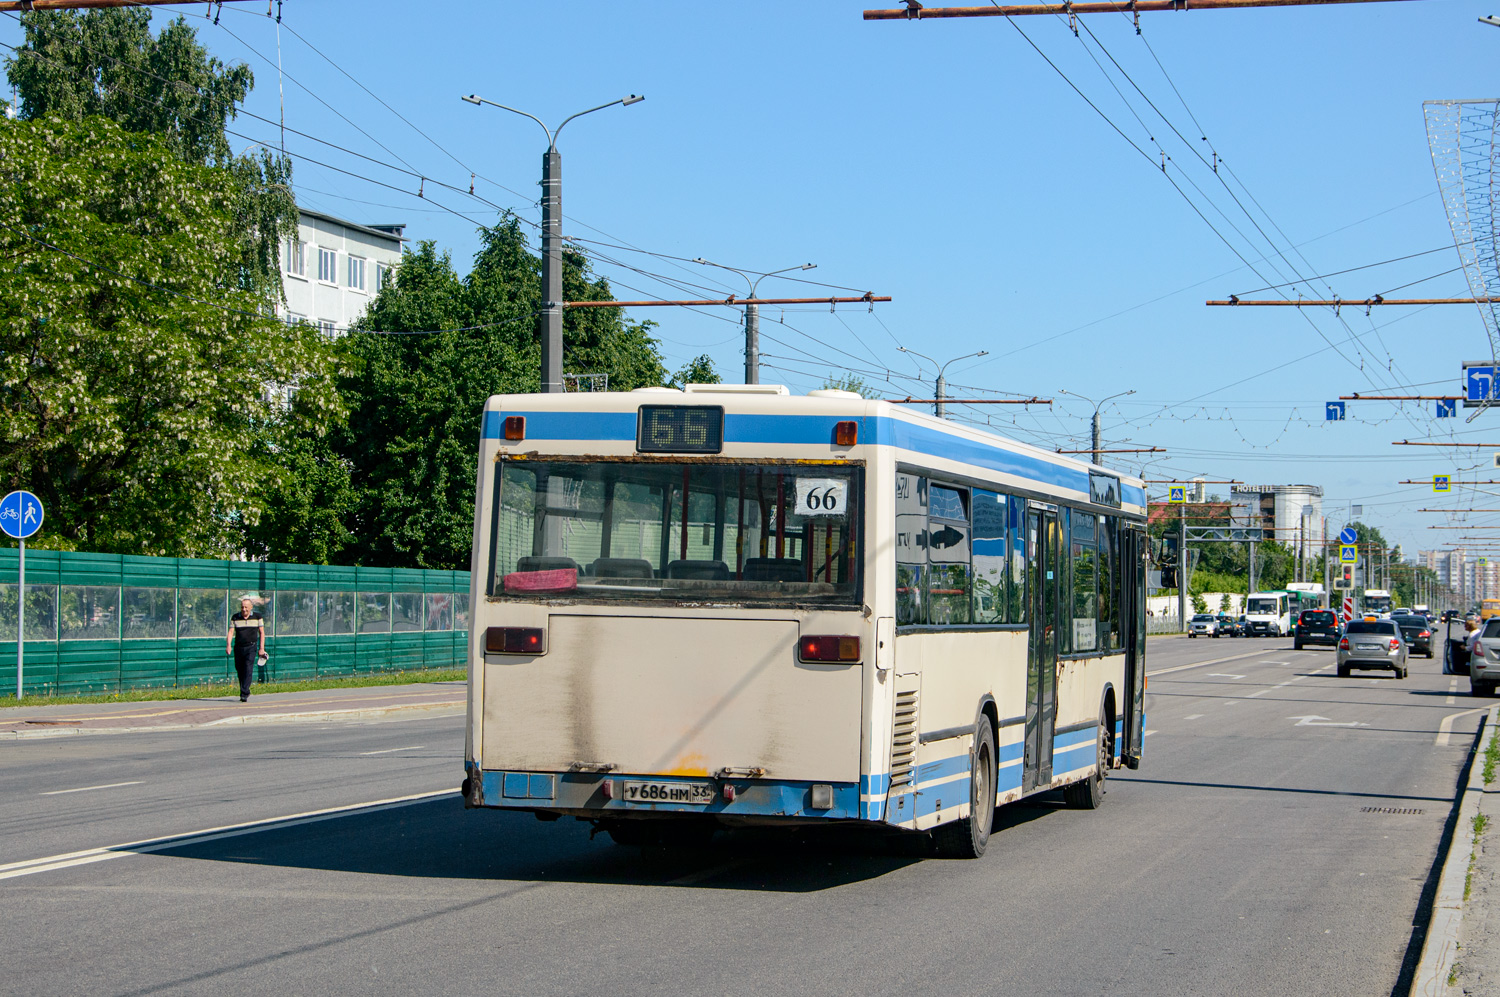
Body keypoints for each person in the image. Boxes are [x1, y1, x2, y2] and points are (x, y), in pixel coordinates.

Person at [226, 597, 267, 702]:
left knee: (248, 668)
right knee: (240, 669)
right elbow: (231, 632)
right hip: (239, 647)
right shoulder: (235, 617)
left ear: (251, 607)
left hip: (251, 646)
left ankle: (244, 693)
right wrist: (228, 645)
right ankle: (244, 689)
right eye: (242, 607)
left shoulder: (257, 617)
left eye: (246, 607)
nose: (244, 609)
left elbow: (261, 632)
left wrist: (261, 648)